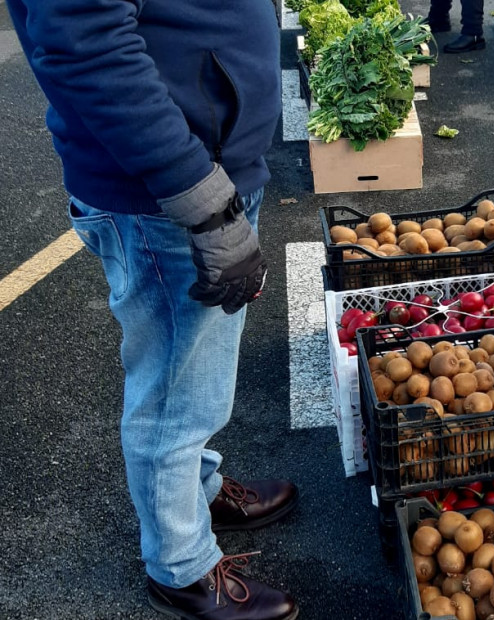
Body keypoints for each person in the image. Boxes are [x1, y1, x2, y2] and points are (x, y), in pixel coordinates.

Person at [7, 1, 299, 618]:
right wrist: (205, 204)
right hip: (166, 195)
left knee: (193, 378)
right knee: (173, 394)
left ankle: (195, 492)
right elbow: (86, 41)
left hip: (197, 170)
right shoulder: (186, 195)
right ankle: (180, 566)